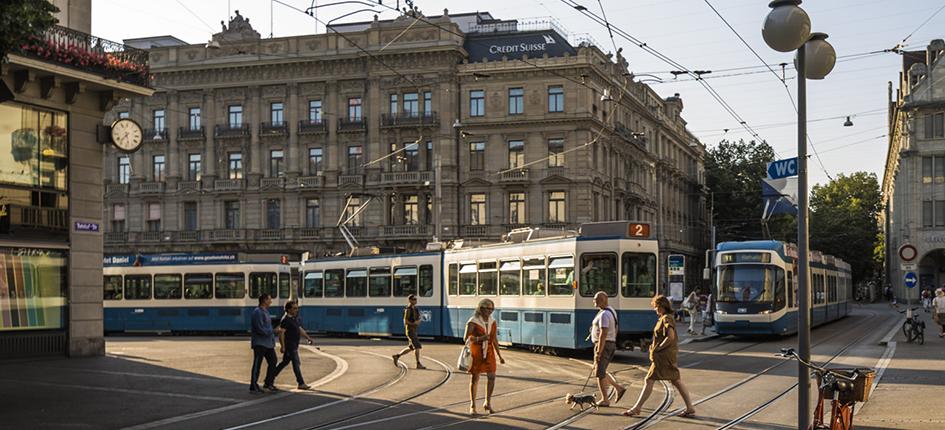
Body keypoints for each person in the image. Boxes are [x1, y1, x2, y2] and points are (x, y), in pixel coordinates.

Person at [623, 295, 696, 418]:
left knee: (650, 380)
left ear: (662, 306)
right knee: (675, 380)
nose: (655, 309)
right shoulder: (664, 318)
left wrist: (658, 348)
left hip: (663, 357)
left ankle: (637, 408)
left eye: (656, 307)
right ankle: (690, 407)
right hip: (665, 356)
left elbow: (670, 336)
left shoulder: (666, 318)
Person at [464, 298, 505, 415]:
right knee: (475, 378)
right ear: (481, 308)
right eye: (488, 308)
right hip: (476, 352)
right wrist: (479, 339)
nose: (490, 311)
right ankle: (472, 405)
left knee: (492, 376)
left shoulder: (493, 321)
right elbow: (466, 338)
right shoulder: (473, 321)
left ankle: (487, 402)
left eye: (492, 309)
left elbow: (494, 339)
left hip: (489, 352)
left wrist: (500, 355)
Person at [590, 291, 627, 408]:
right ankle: (618, 388)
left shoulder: (604, 314)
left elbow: (603, 334)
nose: (593, 301)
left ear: (601, 300)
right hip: (609, 344)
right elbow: (615, 328)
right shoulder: (611, 310)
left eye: (595, 299)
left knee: (599, 374)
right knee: (601, 370)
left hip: (604, 345)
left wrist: (598, 352)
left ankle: (605, 399)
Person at [272, 300, 315, 390]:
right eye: (294, 308)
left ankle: (270, 378)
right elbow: (281, 333)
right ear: (288, 309)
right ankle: (301, 383)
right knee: (296, 364)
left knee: (284, 363)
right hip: (290, 346)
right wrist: (283, 346)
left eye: (297, 308)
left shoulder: (294, 318)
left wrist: (308, 337)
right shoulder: (285, 320)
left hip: (294, 345)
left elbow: (299, 329)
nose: (296, 310)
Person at [250, 293, 283, 393]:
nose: (271, 301)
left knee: (273, 361)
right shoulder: (258, 312)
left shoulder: (265, 312)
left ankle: (268, 383)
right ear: (264, 300)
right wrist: (273, 331)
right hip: (260, 343)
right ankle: (253, 384)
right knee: (257, 364)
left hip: (268, 343)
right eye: (269, 299)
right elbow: (260, 329)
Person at [392, 294, 426, 369]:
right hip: (410, 331)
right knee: (417, 346)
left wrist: (418, 321)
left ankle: (397, 356)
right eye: (414, 299)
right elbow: (405, 321)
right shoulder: (408, 309)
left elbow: (418, 318)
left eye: (416, 299)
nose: (415, 300)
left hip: (414, 330)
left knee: (411, 348)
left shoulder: (416, 309)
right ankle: (418, 363)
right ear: (410, 300)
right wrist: (414, 323)